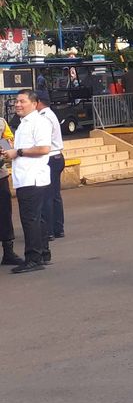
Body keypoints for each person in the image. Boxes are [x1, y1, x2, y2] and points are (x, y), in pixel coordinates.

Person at [2, 90, 53, 273]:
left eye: (22, 101)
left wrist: (18, 152)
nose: (17, 104)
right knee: (36, 219)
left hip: (32, 177)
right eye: (16, 101)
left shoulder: (38, 122)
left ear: (34, 103)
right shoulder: (23, 123)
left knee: (30, 219)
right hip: (25, 177)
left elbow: (44, 148)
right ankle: (43, 253)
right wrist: (11, 152)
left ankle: (33, 258)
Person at [35, 90, 66, 239]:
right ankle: (58, 228)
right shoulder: (50, 114)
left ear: (38, 102)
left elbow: (43, 141)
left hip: (50, 157)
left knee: (47, 196)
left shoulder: (44, 118)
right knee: (54, 195)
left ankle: (49, 230)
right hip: (56, 157)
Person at [0, 114, 22, 266]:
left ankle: (8, 252)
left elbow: (9, 142)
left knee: (4, 214)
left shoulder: (1, 123)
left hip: (0, 176)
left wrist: (5, 148)